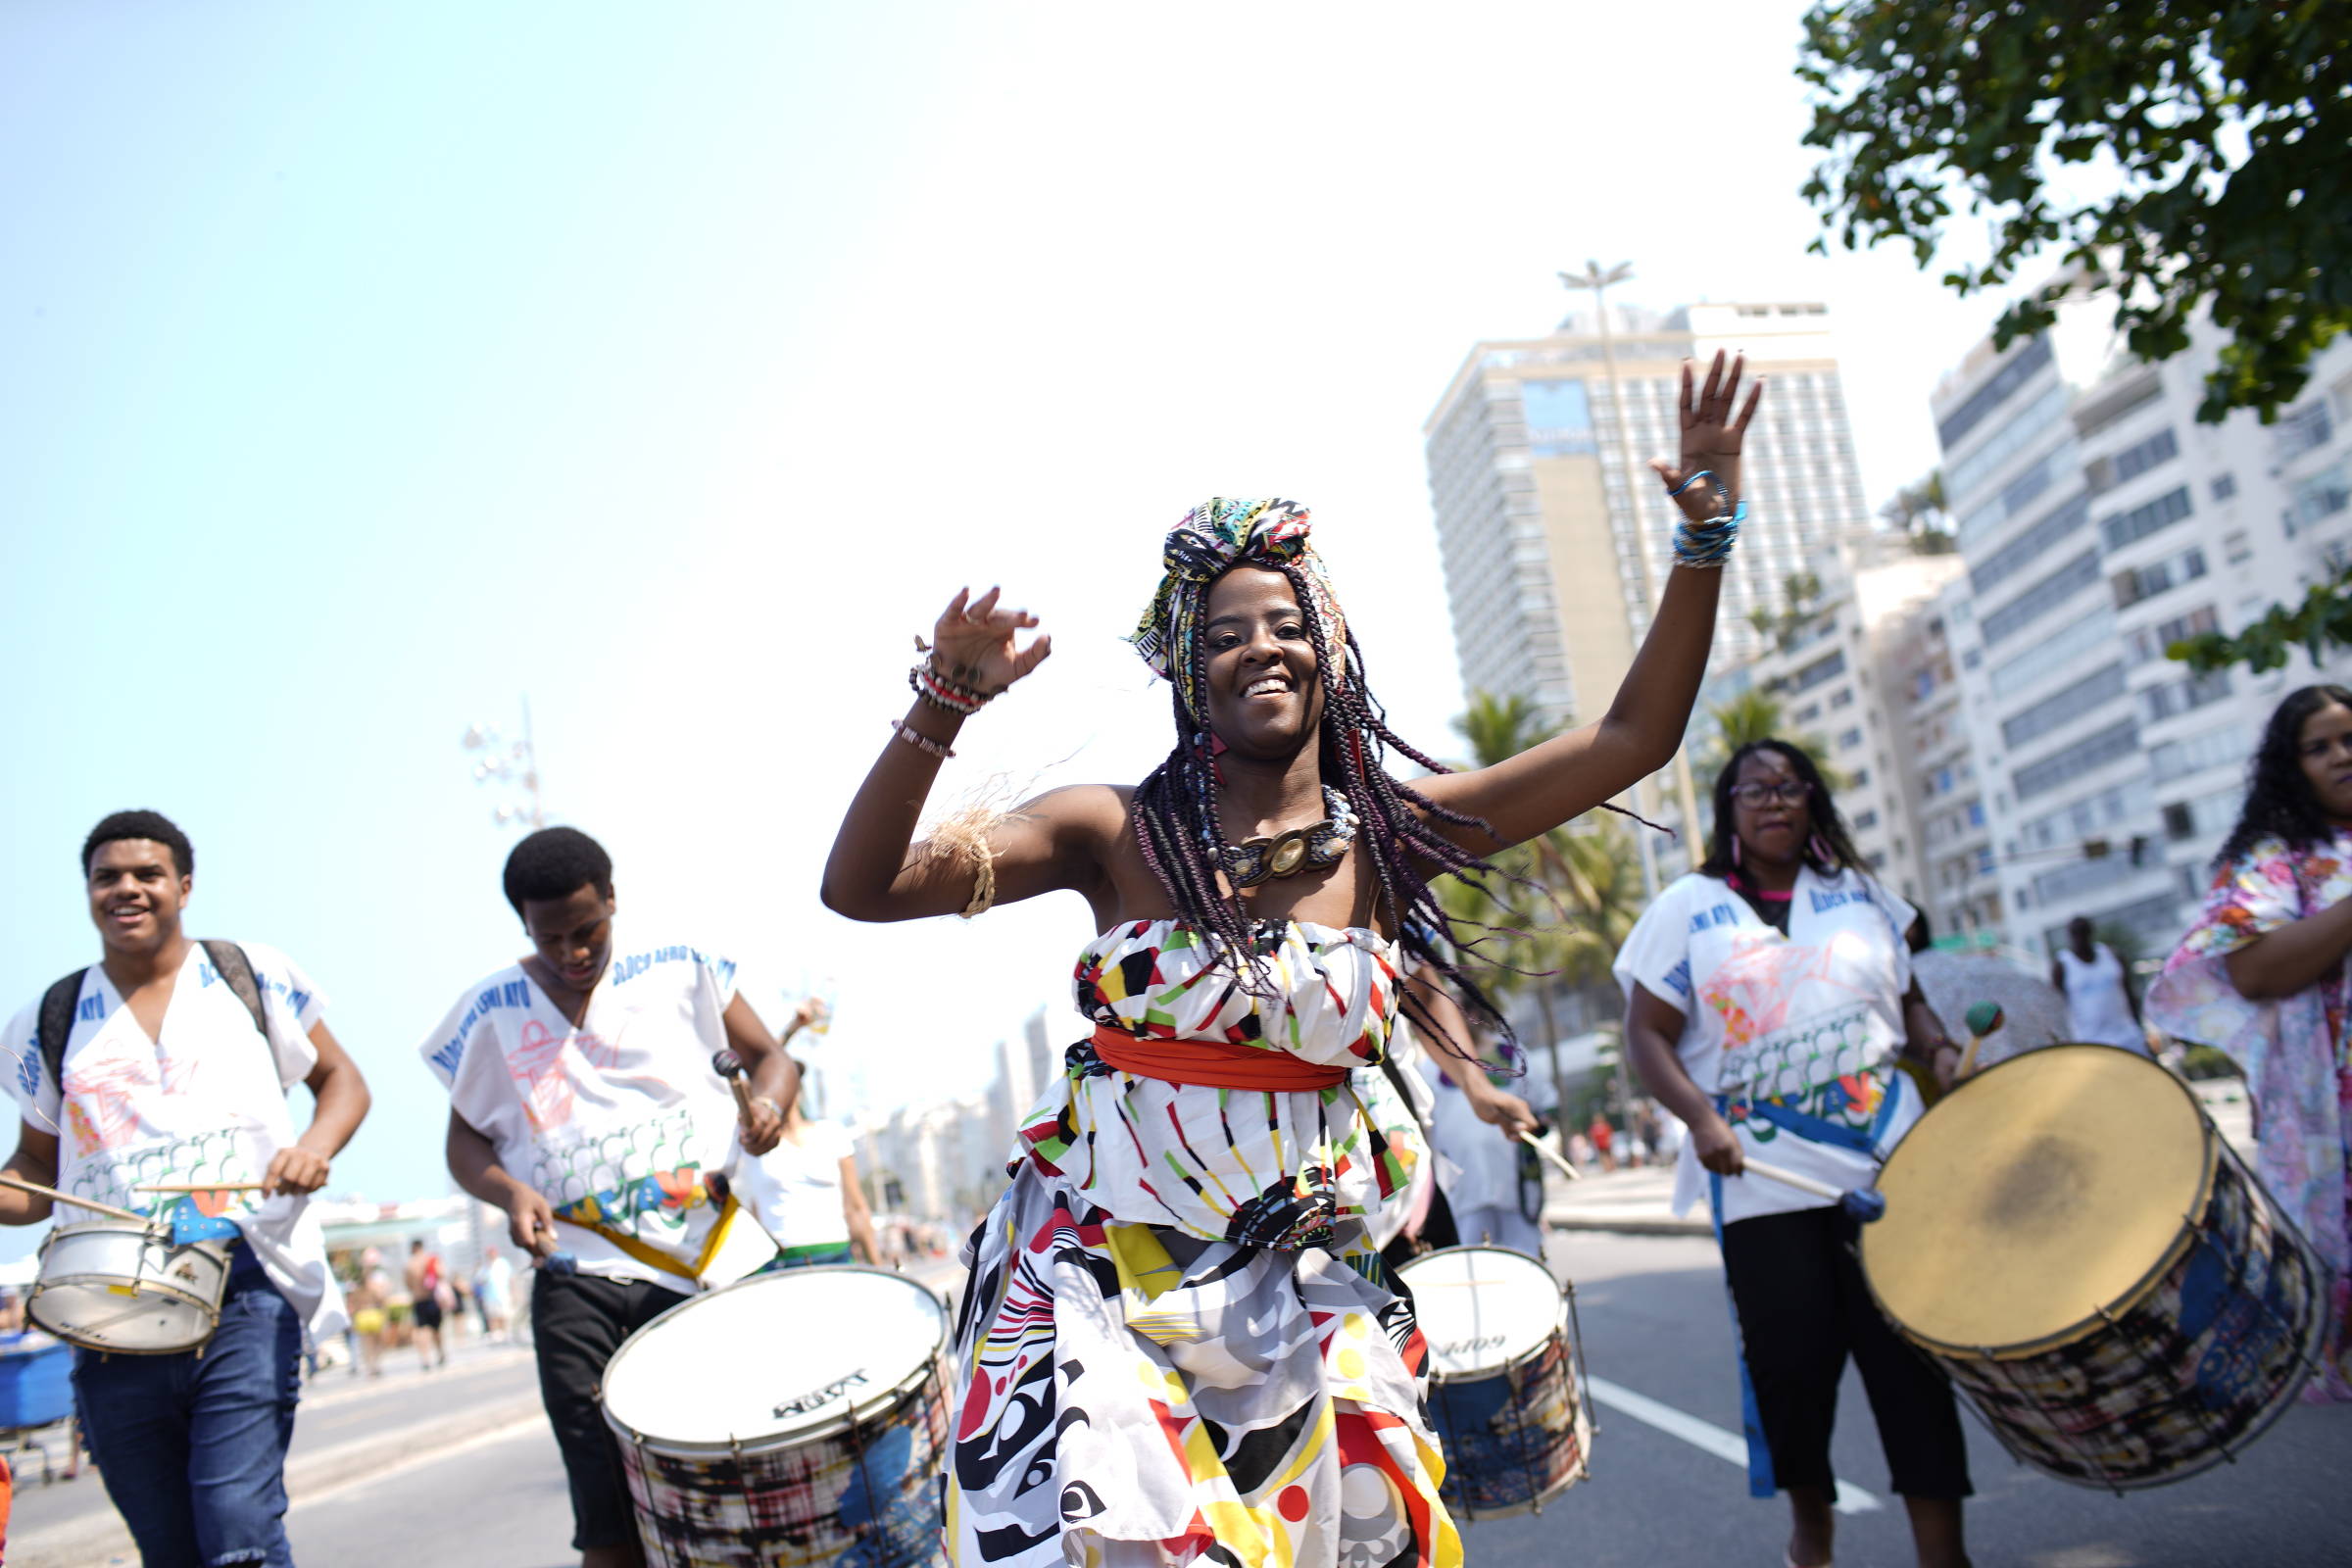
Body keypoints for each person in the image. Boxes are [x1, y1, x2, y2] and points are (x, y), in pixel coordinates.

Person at [823, 351, 1755, 1568]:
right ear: (1181, 665)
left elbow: (1634, 737)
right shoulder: (1110, 832)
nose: (1262, 649)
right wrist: (944, 697)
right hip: (1110, 1284)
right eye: (1224, 635)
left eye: (1286, 624)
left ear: (1328, 646)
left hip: (1308, 1291)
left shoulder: (1391, 839)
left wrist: (1704, 541)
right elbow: (864, 886)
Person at [1618, 743, 1971, 1568]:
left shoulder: (1864, 897)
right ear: (1728, 806)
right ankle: (1813, 1530)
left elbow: (1913, 1008)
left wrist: (1944, 1052)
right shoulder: (1688, 906)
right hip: (1764, 1188)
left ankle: (1944, 1556)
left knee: (1913, 1373)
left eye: (1790, 787)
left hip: (1891, 1172)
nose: (1775, 801)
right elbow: (1647, 1033)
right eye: (1756, 789)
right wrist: (1701, 1119)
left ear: (1812, 799)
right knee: (1794, 1380)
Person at [0, 809, 371, 1567]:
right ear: (88, 893)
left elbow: (343, 1082)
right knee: (169, 1553)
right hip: (108, 1312)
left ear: (184, 886)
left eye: (147, 875)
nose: (126, 889)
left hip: (243, 1289)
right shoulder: (50, 1017)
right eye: (107, 877)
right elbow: (34, 1176)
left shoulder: (248, 974)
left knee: (239, 1536)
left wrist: (312, 1147)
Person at [419, 825, 798, 1568]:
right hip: (579, 1280)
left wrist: (768, 1108)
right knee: (605, 1510)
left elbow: (771, 1056)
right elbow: (464, 1145)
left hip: (709, 1257)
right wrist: (508, 1192)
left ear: (614, 901)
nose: (573, 952)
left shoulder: (680, 967)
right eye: (550, 937)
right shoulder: (490, 1011)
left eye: (588, 930)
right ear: (525, 927)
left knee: (757, 1467)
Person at [2147, 683, 2352, 1401]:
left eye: (2350, 740)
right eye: (2319, 747)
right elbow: (2256, 970)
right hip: (2337, 1132)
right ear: (2289, 767)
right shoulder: (2275, 859)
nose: (2341, 757)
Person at [1403, 969, 1544, 1255]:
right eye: (1464, 1009)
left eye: (1476, 1007)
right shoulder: (1433, 1066)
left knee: (1525, 1259)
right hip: (1464, 1186)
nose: (1471, 1016)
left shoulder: (1514, 1055)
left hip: (1513, 1180)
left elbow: (1541, 1105)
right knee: (1474, 1259)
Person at [734, 1018, 884, 1269]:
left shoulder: (832, 1133)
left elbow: (856, 1208)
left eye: (790, 1081)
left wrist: (878, 1267)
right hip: (782, 1264)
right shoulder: (755, 1141)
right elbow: (757, 1072)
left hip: (837, 1257)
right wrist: (792, 1028)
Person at [2049, 914, 2146, 1053]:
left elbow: (2129, 992)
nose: (2080, 938)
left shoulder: (2112, 955)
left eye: (2083, 933)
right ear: (2070, 936)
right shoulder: (2062, 965)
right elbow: (2057, 1006)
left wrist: (2140, 1028)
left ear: (2091, 933)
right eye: (2076, 934)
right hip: (2091, 1041)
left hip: (2127, 1036)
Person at [405, 1239, 448, 1369]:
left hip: (419, 1299)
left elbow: (408, 1284)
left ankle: (425, 1359)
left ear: (413, 1248)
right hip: (432, 1298)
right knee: (436, 1328)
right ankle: (440, 1353)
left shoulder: (409, 1264)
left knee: (422, 1330)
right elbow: (442, 1275)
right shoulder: (431, 1259)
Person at [476, 1247, 516, 1341]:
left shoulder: (503, 1263)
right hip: (489, 1296)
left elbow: (511, 1278)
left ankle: (505, 1333)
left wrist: (513, 1292)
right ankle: (495, 1334)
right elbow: (479, 1281)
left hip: (503, 1293)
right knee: (492, 1316)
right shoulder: (485, 1267)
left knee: (504, 1314)